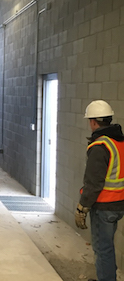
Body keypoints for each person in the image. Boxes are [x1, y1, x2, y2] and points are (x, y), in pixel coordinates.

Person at [75, 100, 124, 281]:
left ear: (94, 122)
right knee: (107, 247)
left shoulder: (100, 146)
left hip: (104, 206)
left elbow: (94, 183)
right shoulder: (119, 142)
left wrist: (82, 207)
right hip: (119, 204)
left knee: (102, 249)